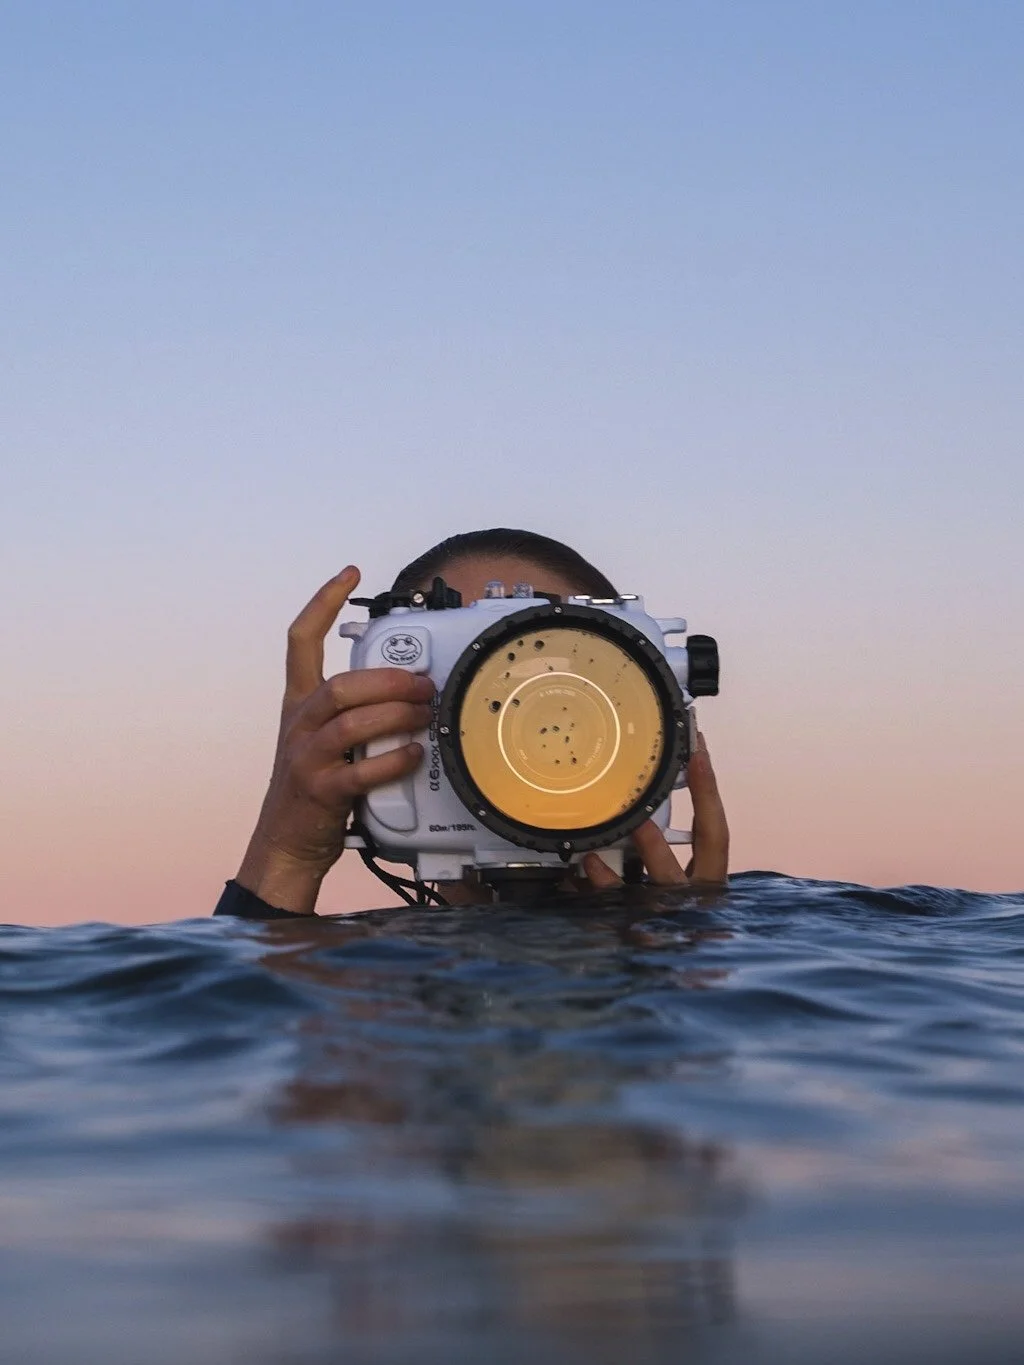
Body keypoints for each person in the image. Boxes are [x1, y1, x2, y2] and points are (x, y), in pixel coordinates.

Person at [215, 529, 728, 919]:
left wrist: (688, 931)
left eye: (569, 660)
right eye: (466, 667)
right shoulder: (371, 984)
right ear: (360, 738)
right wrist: (284, 855)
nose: (520, 713)